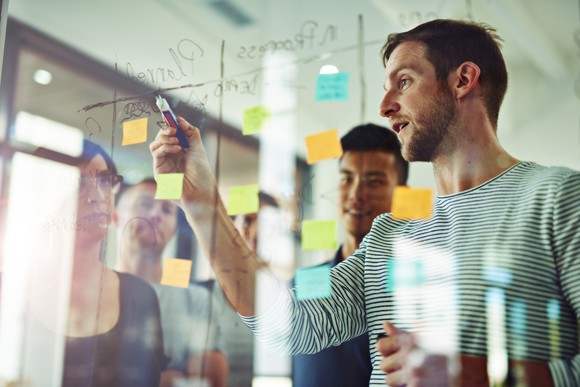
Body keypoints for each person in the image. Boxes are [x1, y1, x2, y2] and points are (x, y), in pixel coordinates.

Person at [149, 19, 579, 387]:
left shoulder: (559, 198)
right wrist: (201, 202)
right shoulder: (391, 234)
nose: (385, 105)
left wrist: (477, 375)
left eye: (404, 82)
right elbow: (292, 329)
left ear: (463, 80)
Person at [29, 140, 167, 386]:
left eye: (105, 181)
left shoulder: (140, 296)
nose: (97, 196)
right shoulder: (11, 290)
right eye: (79, 182)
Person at [292, 124, 408, 387]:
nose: (356, 194)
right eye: (346, 179)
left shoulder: (416, 284)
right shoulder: (303, 283)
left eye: (374, 181)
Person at [113, 178, 228, 387]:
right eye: (145, 204)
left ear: (174, 228)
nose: (156, 215)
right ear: (115, 217)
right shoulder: (96, 291)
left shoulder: (196, 300)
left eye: (167, 210)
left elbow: (210, 382)